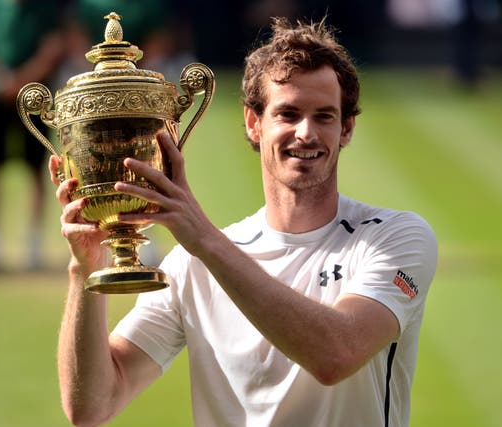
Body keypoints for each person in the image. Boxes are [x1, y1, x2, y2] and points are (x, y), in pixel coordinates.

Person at [51, 17, 438, 427]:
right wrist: (83, 269)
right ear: (254, 124)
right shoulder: (191, 265)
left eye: (324, 116)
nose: (306, 133)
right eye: (288, 114)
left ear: (347, 128)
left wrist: (204, 240)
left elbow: (335, 354)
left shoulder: (395, 237)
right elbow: (91, 406)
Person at [0, 0, 65, 271]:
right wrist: (0, 78)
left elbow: (52, 50)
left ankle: (34, 243)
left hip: (33, 98)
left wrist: (21, 80)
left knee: (38, 167)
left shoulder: (43, 9)